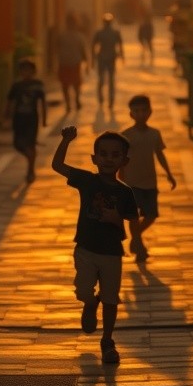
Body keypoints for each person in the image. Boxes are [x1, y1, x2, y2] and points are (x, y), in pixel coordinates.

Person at [51, 126, 139, 365]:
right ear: (94, 158)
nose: (108, 159)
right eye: (103, 154)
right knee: (82, 289)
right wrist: (66, 140)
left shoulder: (125, 193)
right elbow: (57, 165)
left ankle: (108, 341)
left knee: (111, 298)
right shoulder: (87, 181)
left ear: (124, 160)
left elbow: (132, 220)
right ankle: (90, 303)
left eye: (115, 155)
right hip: (86, 249)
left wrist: (117, 220)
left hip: (112, 253)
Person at [119, 94, 177, 262]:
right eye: (136, 111)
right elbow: (121, 157)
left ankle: (136, 239)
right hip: (131, 182)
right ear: (131, 114)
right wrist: (120, 173)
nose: (140, 114)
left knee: (151, 216)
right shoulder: (126, 135)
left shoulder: (154, 134)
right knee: (133, 216)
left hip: (150, 182)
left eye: (144, 110)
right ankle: (140, 249)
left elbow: (160, 154)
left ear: (150, 112)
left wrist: (169, 174)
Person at [5, 57, 47, 183]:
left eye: (29, 70)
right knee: (17, 144)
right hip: (18, 119)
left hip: (32, 119)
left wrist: (44, 119)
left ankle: (30, 169)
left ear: (33, 71)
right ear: (20, 72)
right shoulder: (17, 85)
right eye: (24, 70)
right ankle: (30, 158)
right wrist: (6, 116)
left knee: (31, 144)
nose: (26, 73)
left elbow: (43, 102)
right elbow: (9, 101)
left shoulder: (38, 85)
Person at [56, 12, 89, 112]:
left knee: (73, 84)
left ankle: (73, 102)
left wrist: (86, 63)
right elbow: (56, 49)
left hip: (71, 63)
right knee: (69, 84)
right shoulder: (64, 36)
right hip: (67, 62)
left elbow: (83, 50)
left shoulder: (77, 36)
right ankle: (70, 103)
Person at [92, 13, 124, 109]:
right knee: (110, 81)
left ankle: (102, 100)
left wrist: (93, 59)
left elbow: (93, 46)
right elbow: (120, 46)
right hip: (110, 58)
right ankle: (110, 100)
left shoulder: (100, 33)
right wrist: (122, 57)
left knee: (102, 80)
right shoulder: (115, 33)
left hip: (103, 58)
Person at [136, 0, 154, 67]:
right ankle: (147, 56)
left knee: (148, 43)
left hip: (146, 29)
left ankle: (150, 56)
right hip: (145, 29)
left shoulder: (146, 19)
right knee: (146, 44)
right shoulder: (144, 19)